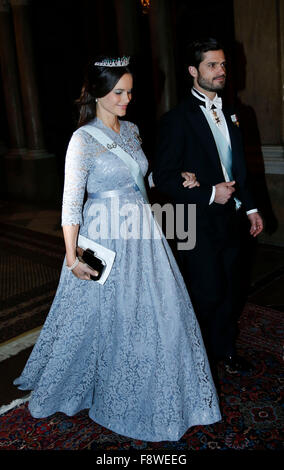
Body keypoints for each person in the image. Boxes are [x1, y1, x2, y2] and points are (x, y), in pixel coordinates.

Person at [14, 55, 221, 442]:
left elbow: (140, 175)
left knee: (154, 310)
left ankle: (149, 386)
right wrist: (72, 257)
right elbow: (71, 204)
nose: (126, 99)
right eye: (118, 93)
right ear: (97, 93)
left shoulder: (132, 129)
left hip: (142, 233)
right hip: (102, 234)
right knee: (97, 313)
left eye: (129, 92)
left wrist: (176, 176)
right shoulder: (82, 140)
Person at [153, 38, 263, 375]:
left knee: (231, 289)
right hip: (194, 221)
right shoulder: (177, 120)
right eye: (212, 65)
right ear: (192, 71)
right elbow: (164, 177)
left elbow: (238, 168)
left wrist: (251, 208)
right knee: (204, 293)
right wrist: (208, 194)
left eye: (223, 65)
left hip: (231, 219)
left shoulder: (235, 113)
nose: (221, 71)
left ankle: (226, 351)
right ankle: (196, 363)